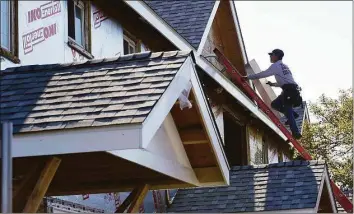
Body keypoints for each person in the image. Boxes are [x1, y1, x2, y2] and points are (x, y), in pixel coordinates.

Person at [243, 49, 302, 139]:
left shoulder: (275, 66)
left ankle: (296, 133)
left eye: (272, 55)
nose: (270, 57)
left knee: (288, 111)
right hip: (290, 90)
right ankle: (294, 115)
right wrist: (273, 84)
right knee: (275, 104)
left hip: (289, 91)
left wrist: (248, 77)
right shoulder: (284, 66)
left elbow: (263, 74)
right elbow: (285, 81)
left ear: (276, 56)